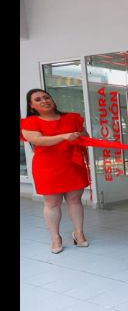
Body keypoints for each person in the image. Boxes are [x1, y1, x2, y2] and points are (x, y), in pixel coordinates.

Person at [20, 89, 90, 253]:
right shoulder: (29, 122)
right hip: (47, 167)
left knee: (75, 200)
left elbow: (85, 137)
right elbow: (38, 140)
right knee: (52, 202)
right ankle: (55, 238)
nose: (44, 100)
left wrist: (79, 136)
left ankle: (79, 234)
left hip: (72, 164)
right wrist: (64, 137)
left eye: (46, 97)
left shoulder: (72, 118)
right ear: (31, 106)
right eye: (38, 99)